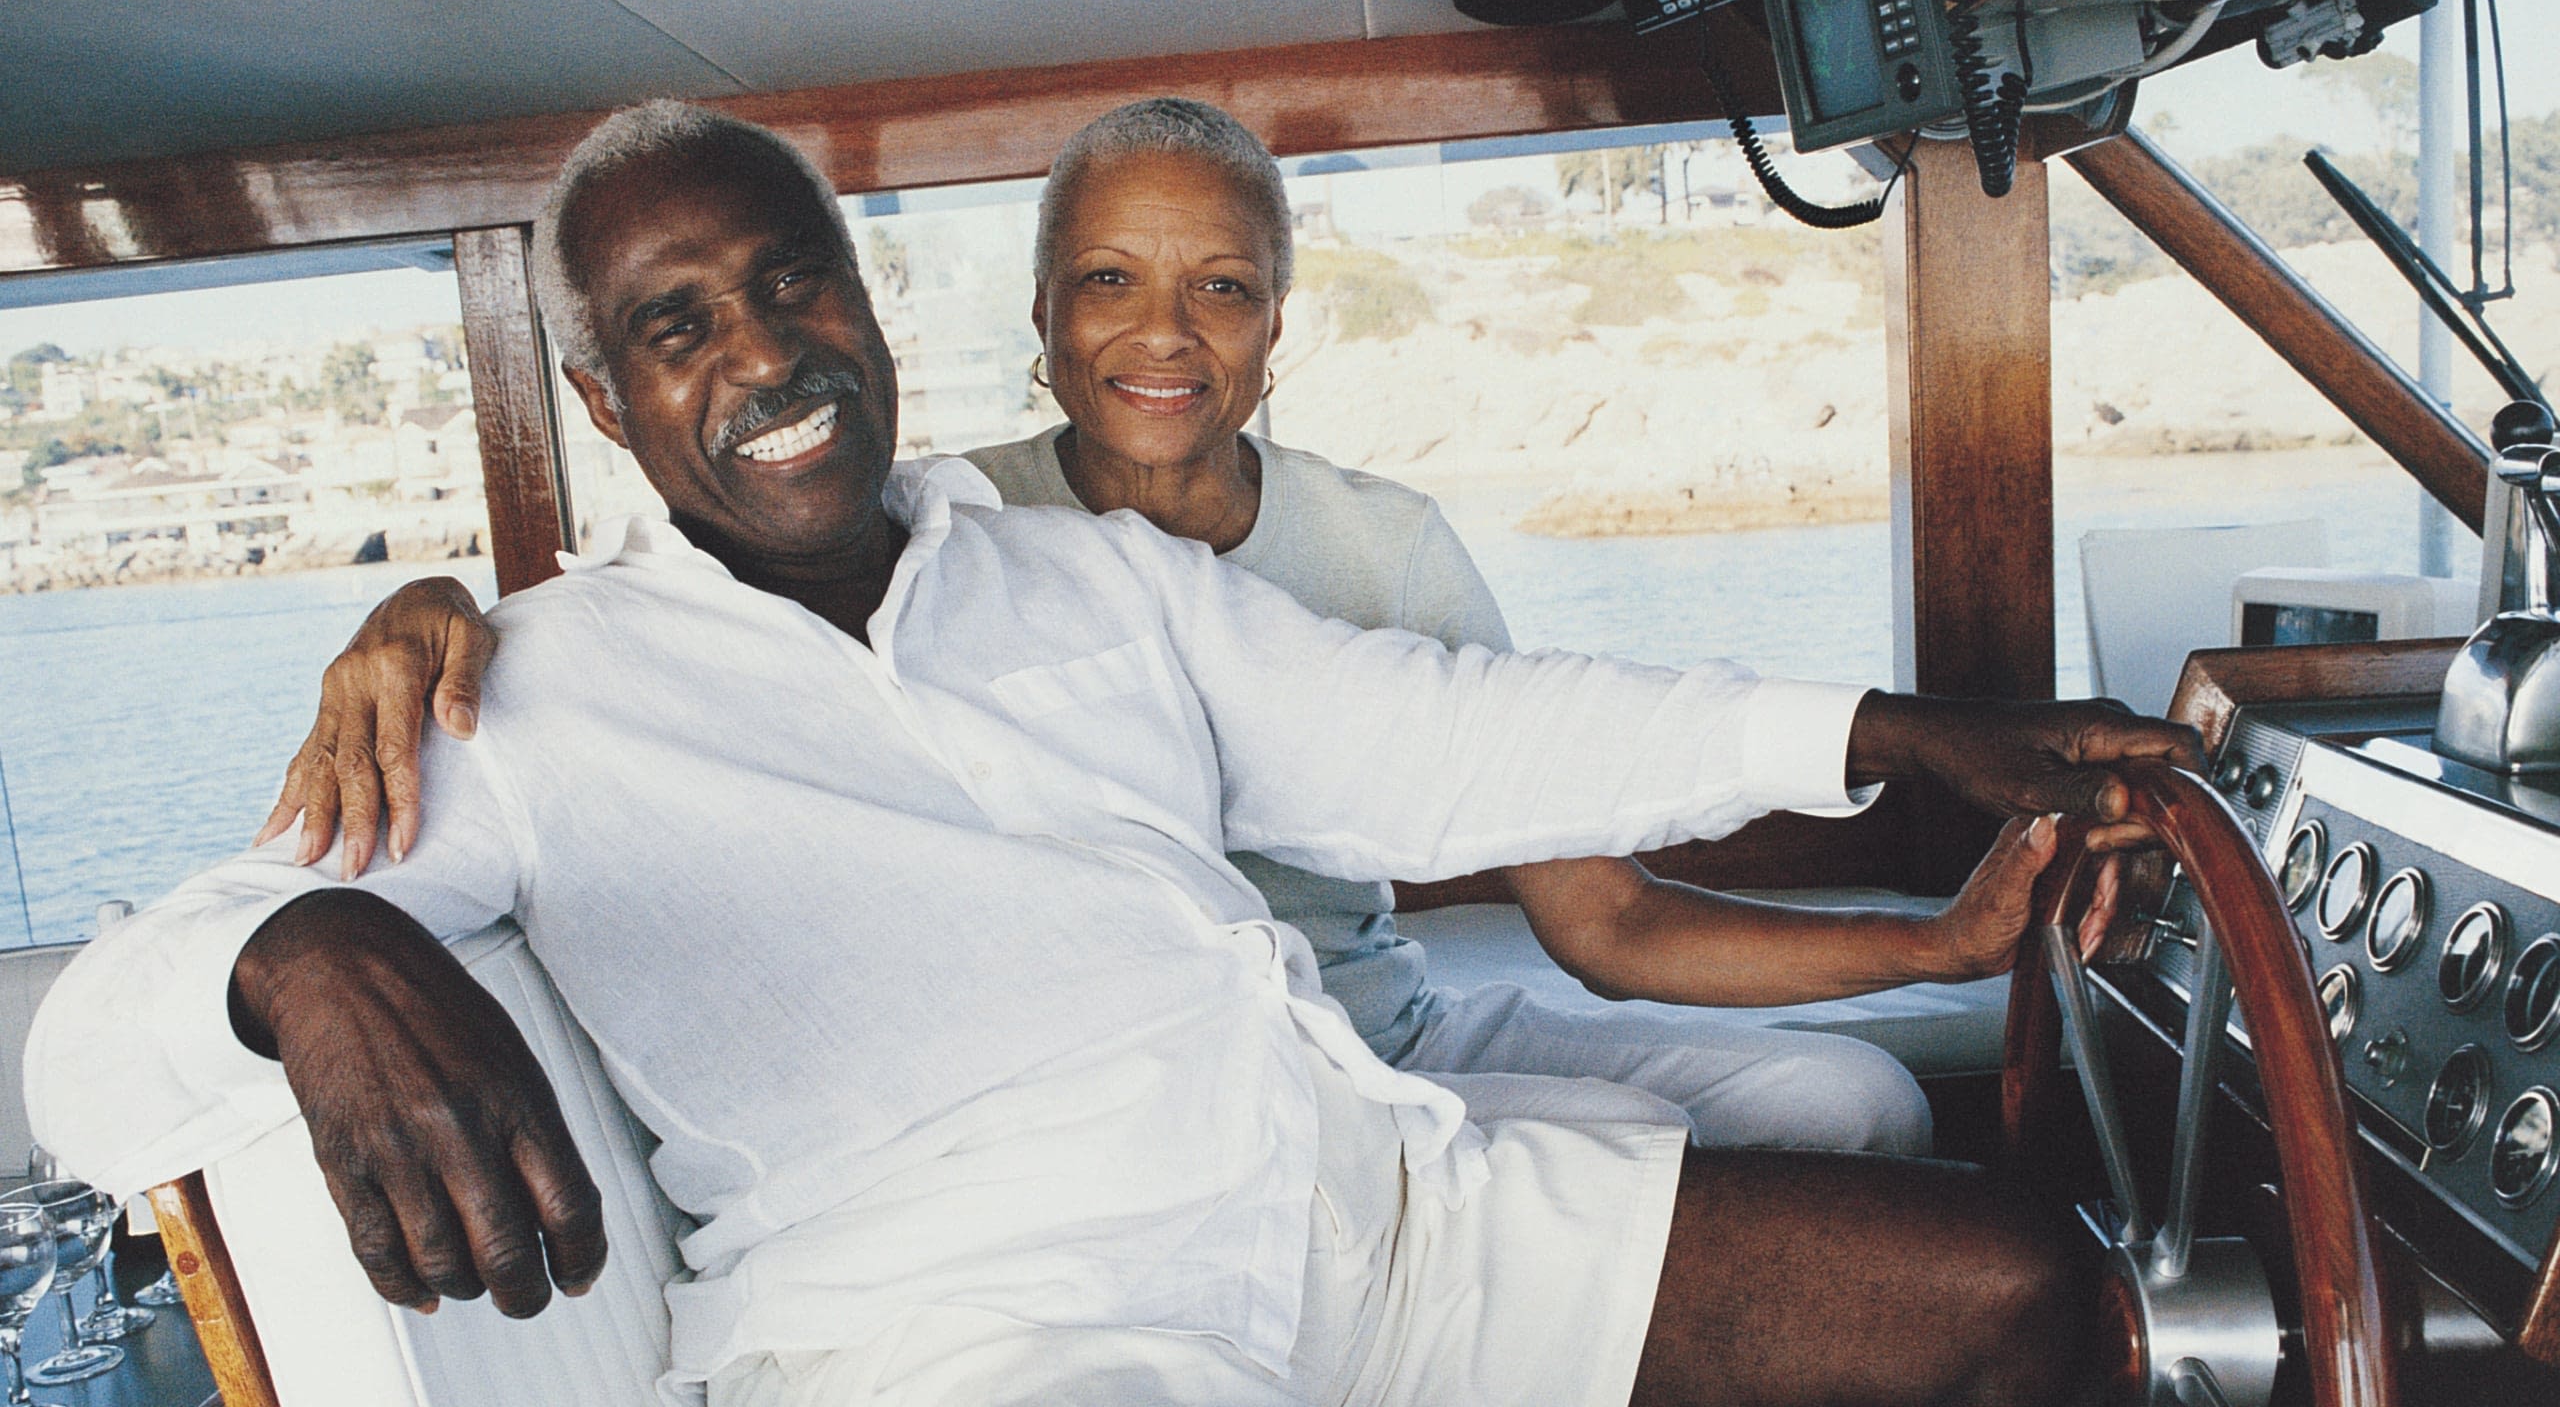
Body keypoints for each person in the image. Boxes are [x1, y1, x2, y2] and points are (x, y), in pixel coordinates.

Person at [31, 101, 2182, 1407]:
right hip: (993, 1324)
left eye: (792, 287)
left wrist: (1896, 730)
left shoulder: (1085, 576)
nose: (764, 356)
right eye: (678, 328)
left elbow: (1450, 742)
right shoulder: (521, 698)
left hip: (1360, 1205)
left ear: (870, 306)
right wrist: (296, 957)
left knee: (2030, 1303)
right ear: (603, 405)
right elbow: (85, 1058)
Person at [259, 99, 2079, 1157]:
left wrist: (1925, 918)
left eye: (1220, 286)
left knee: (1851, 1114)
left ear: (1277, 326)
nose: (1163, 333)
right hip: (1152, 1108)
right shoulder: (928, 523)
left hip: (1382, 1038)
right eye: (1109, 283)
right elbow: (709, 557)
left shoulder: (1365, 545)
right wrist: (431, 612)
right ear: (1042, 322)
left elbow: (1573, 876)